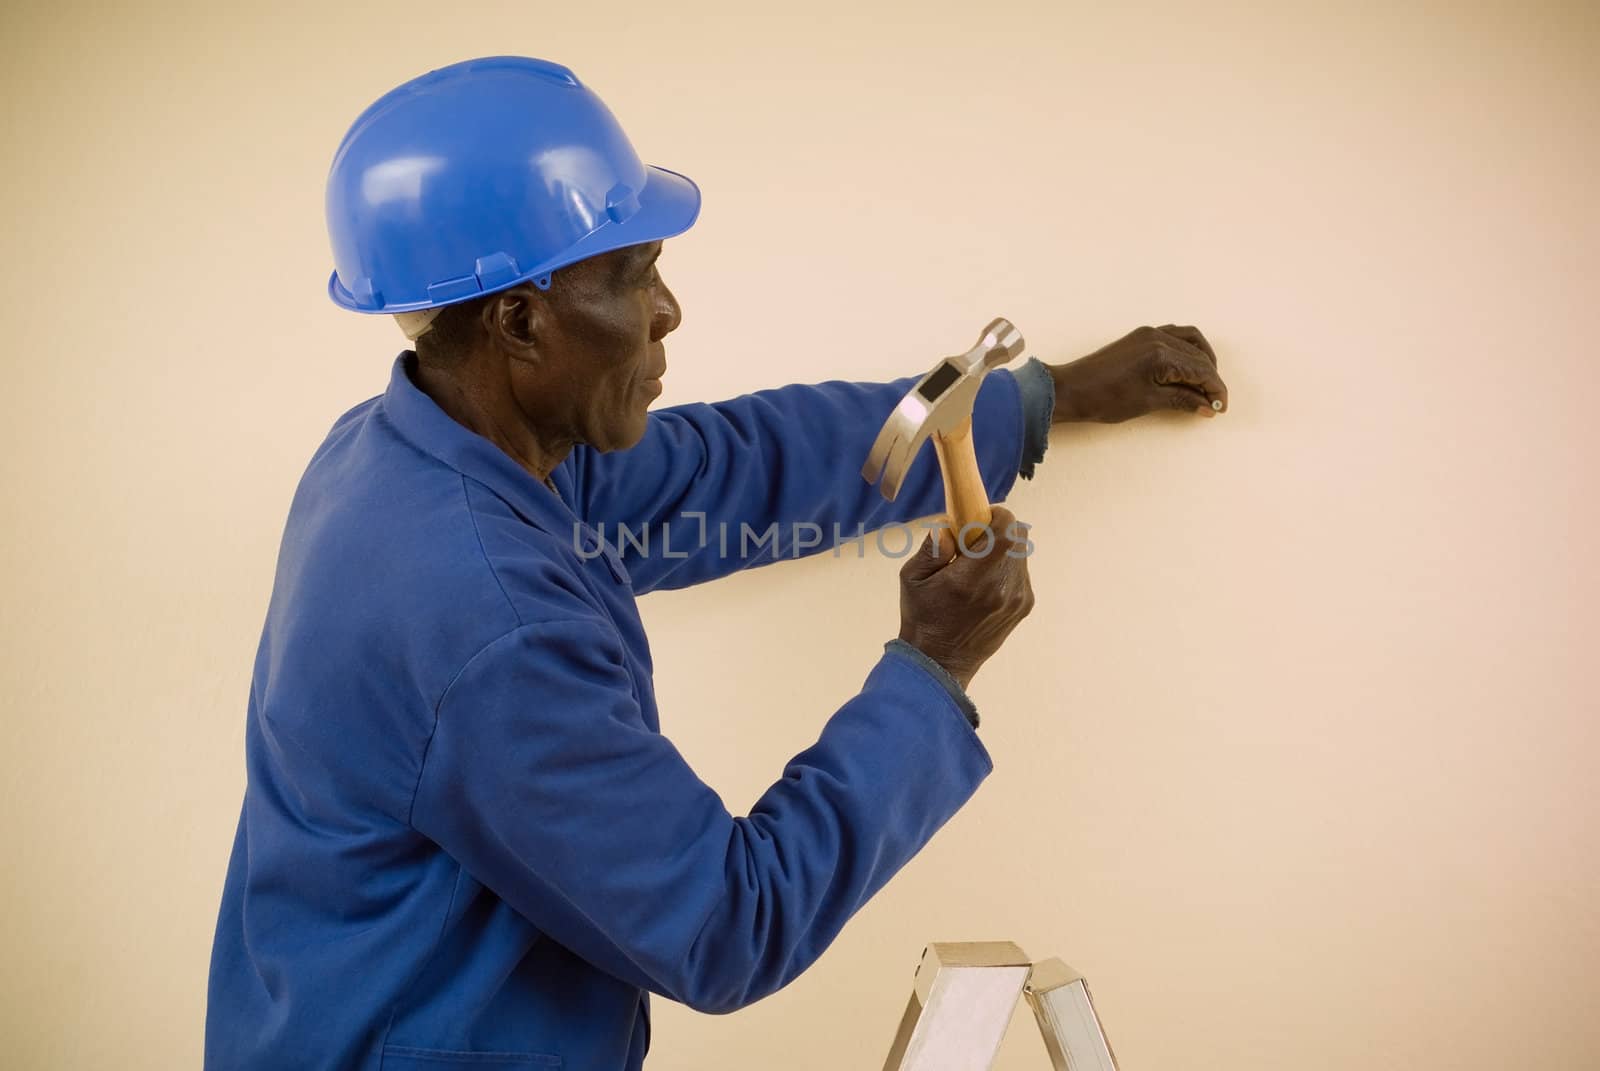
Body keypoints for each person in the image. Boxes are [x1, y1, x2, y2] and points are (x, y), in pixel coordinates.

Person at [204, 56, 1229, 1070]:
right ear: (519, 320)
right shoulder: (485, 620)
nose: (667, 309)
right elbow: (725, 925)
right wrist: (932, 669)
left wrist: (1040, 399)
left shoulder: (413, 451)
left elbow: (729, 468)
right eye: (631, 273)